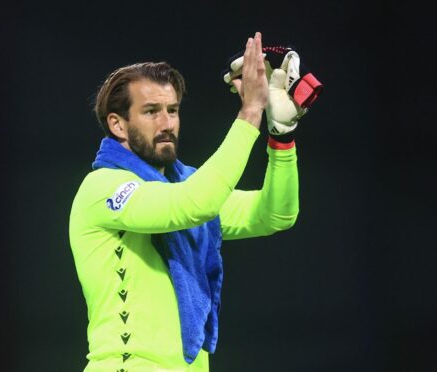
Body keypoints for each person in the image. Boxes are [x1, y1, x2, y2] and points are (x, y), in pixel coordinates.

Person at [69, 32, 299, 371]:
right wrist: (251, 111)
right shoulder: (102, 188)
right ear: (117, 124)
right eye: (151, 112)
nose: (166, 123)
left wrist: (282, 138)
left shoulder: (184, 185)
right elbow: (192, 205)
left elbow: (274, 214)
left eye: (172, 110)